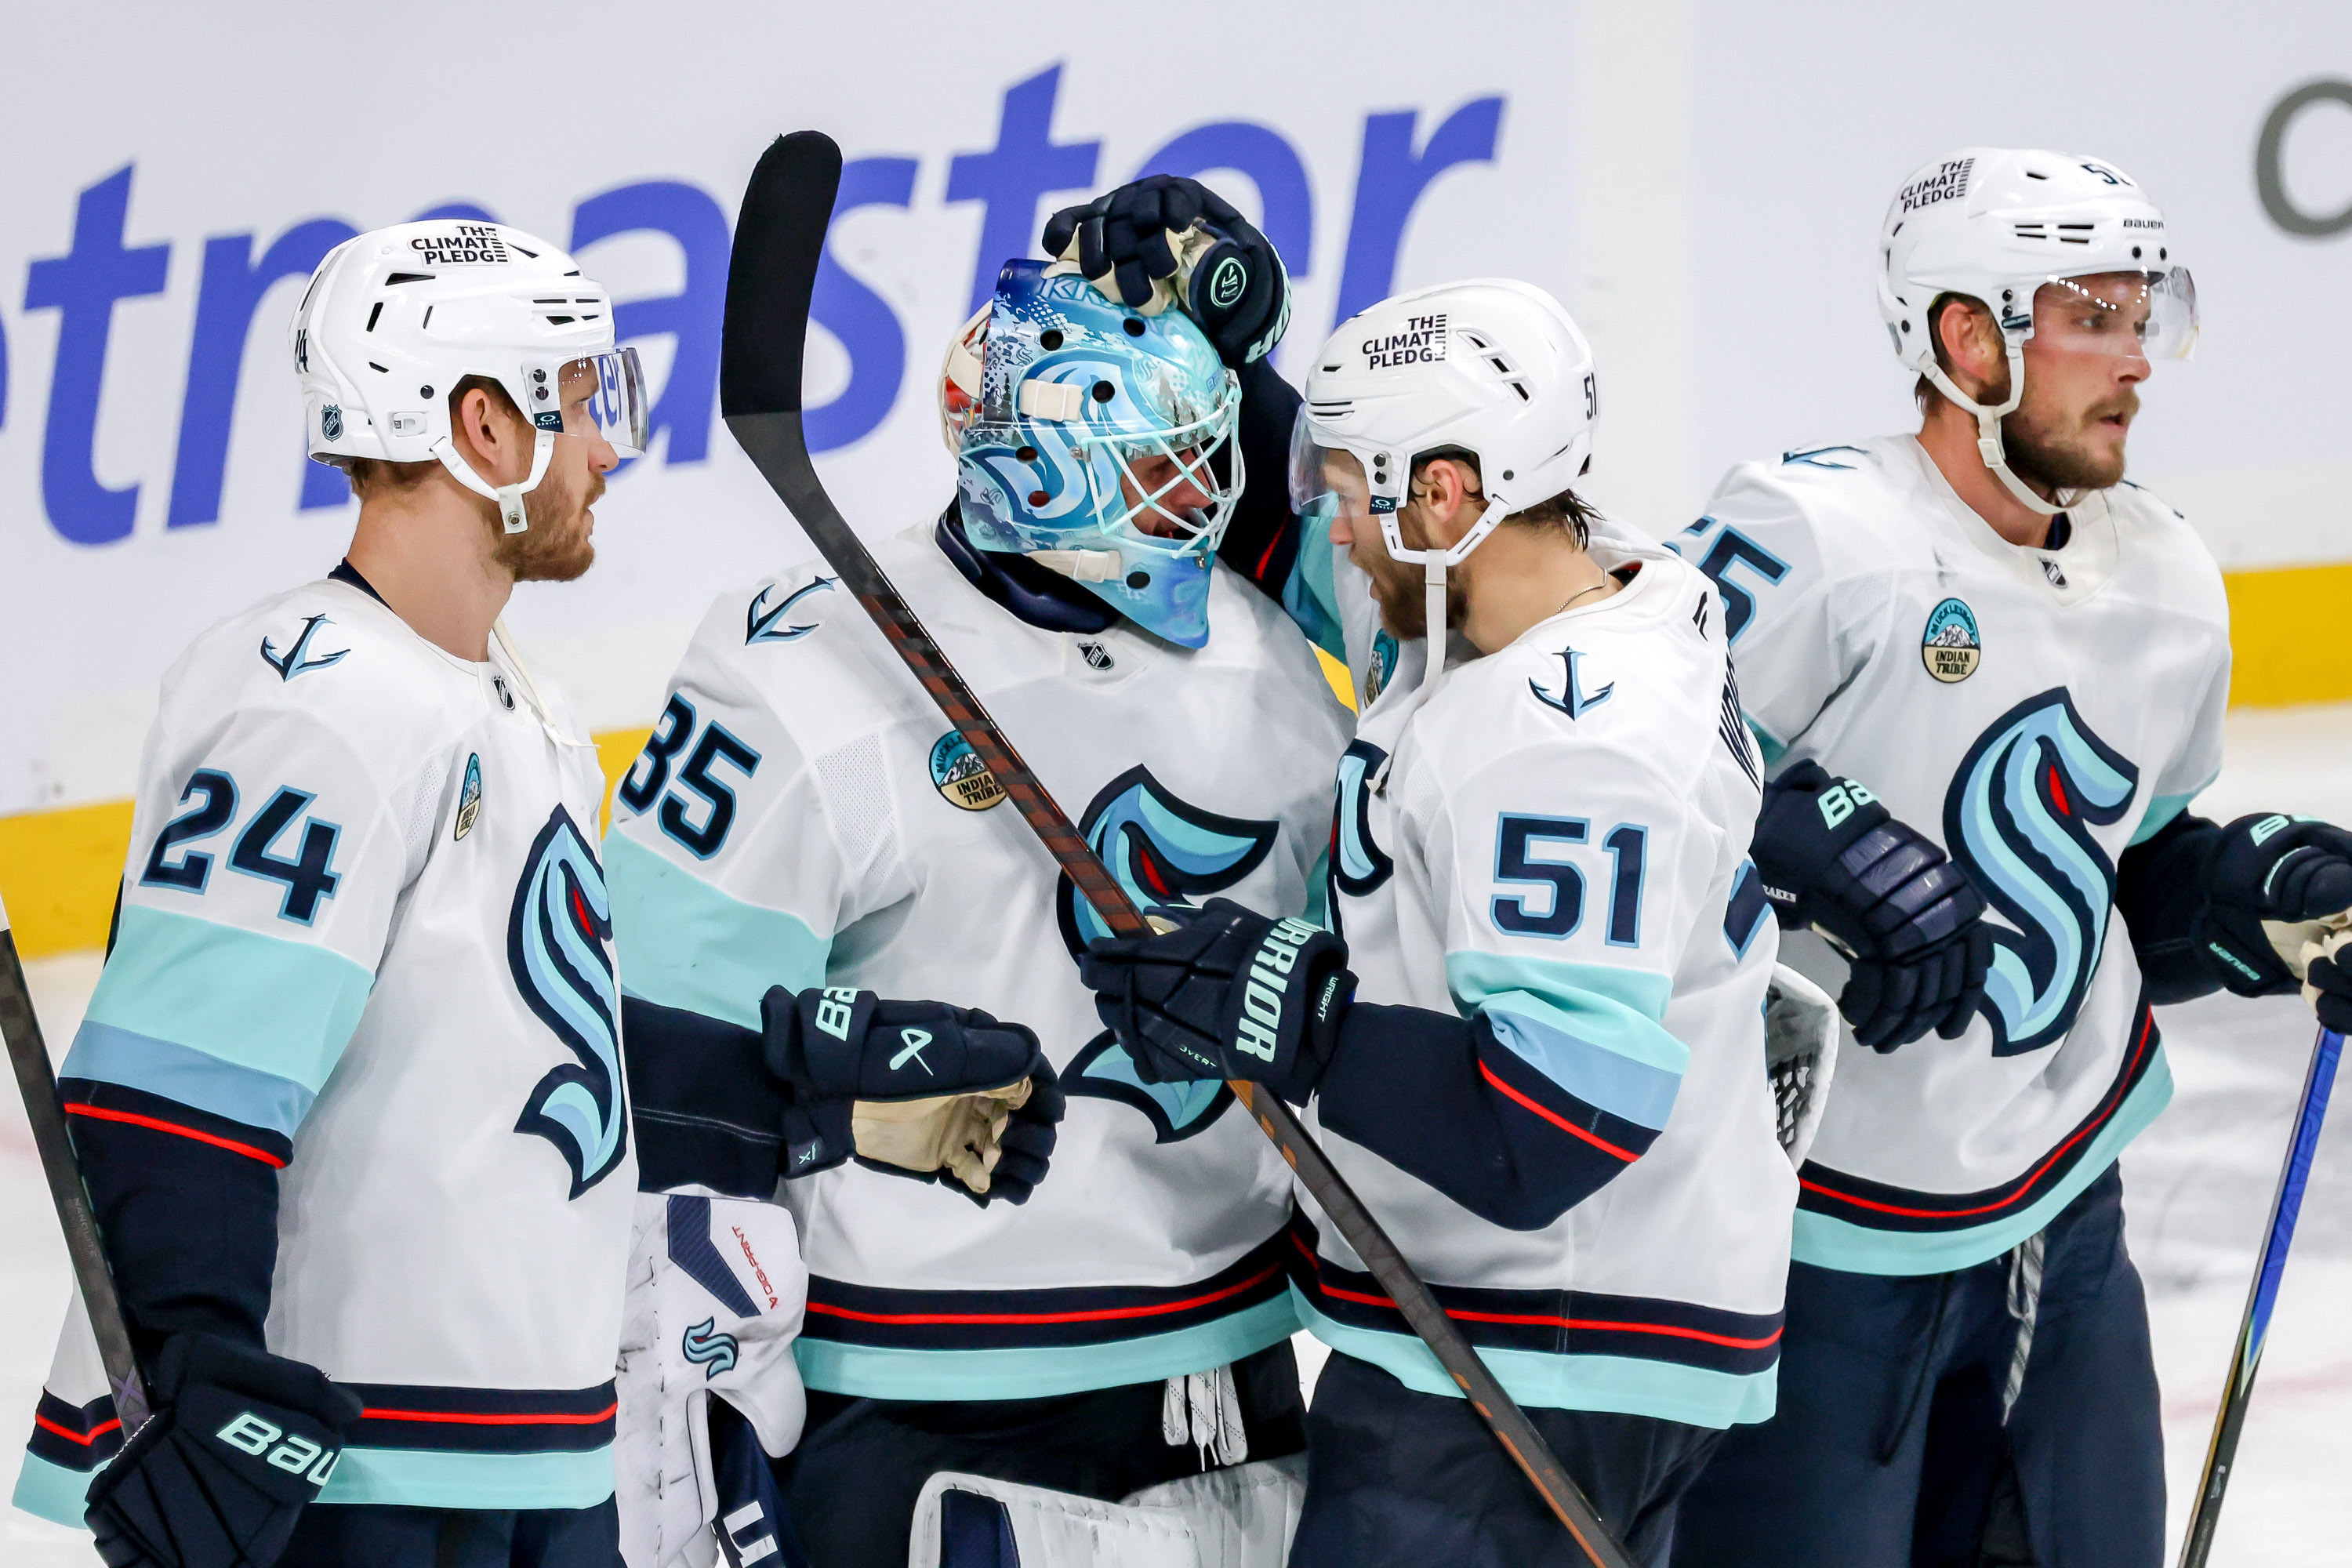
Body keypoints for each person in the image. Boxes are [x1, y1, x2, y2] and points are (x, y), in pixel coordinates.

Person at [606, 199, 1348, 1564]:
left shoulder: (1277, 658)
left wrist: (1247, 355)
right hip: (917, 1402)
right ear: (1054, 470)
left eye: (1209, 459)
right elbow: (661, 1055)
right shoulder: (798, 666)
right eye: (1166, 468)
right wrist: (697, 1389)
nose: (1208, 499)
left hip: (1236, 1374)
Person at [1668, 148, 2352, 1566]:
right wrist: (1798, 835)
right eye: (2091, 317)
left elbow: (2114, 886)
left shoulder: (2168, 579)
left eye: (2143, 315)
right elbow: (1625, 771)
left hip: (2061, 1218)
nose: (2136, 359)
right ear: (1968, 339)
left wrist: (2255, 900)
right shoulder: (1810, 536)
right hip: (1809, 1237)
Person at [1081, 278, 1801, 1567]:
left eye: (1352, 494)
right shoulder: (1596, 582)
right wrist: (1223, 337)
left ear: (1449, 493)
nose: (1336, 529)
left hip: (1543, 1358)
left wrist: (1286, 1012)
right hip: (1571, 1329)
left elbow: (1553, 1128)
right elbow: (1291, 543)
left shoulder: (1563, 744)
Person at [10, 221, 645, 1567]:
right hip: (359, 1479)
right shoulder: (318, 701)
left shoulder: (518, 698)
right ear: (483, 426)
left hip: (532, 1451)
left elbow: (533, 1044)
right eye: (580, 402)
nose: (605, 448)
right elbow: (178, 1083)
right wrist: (194, 1380)